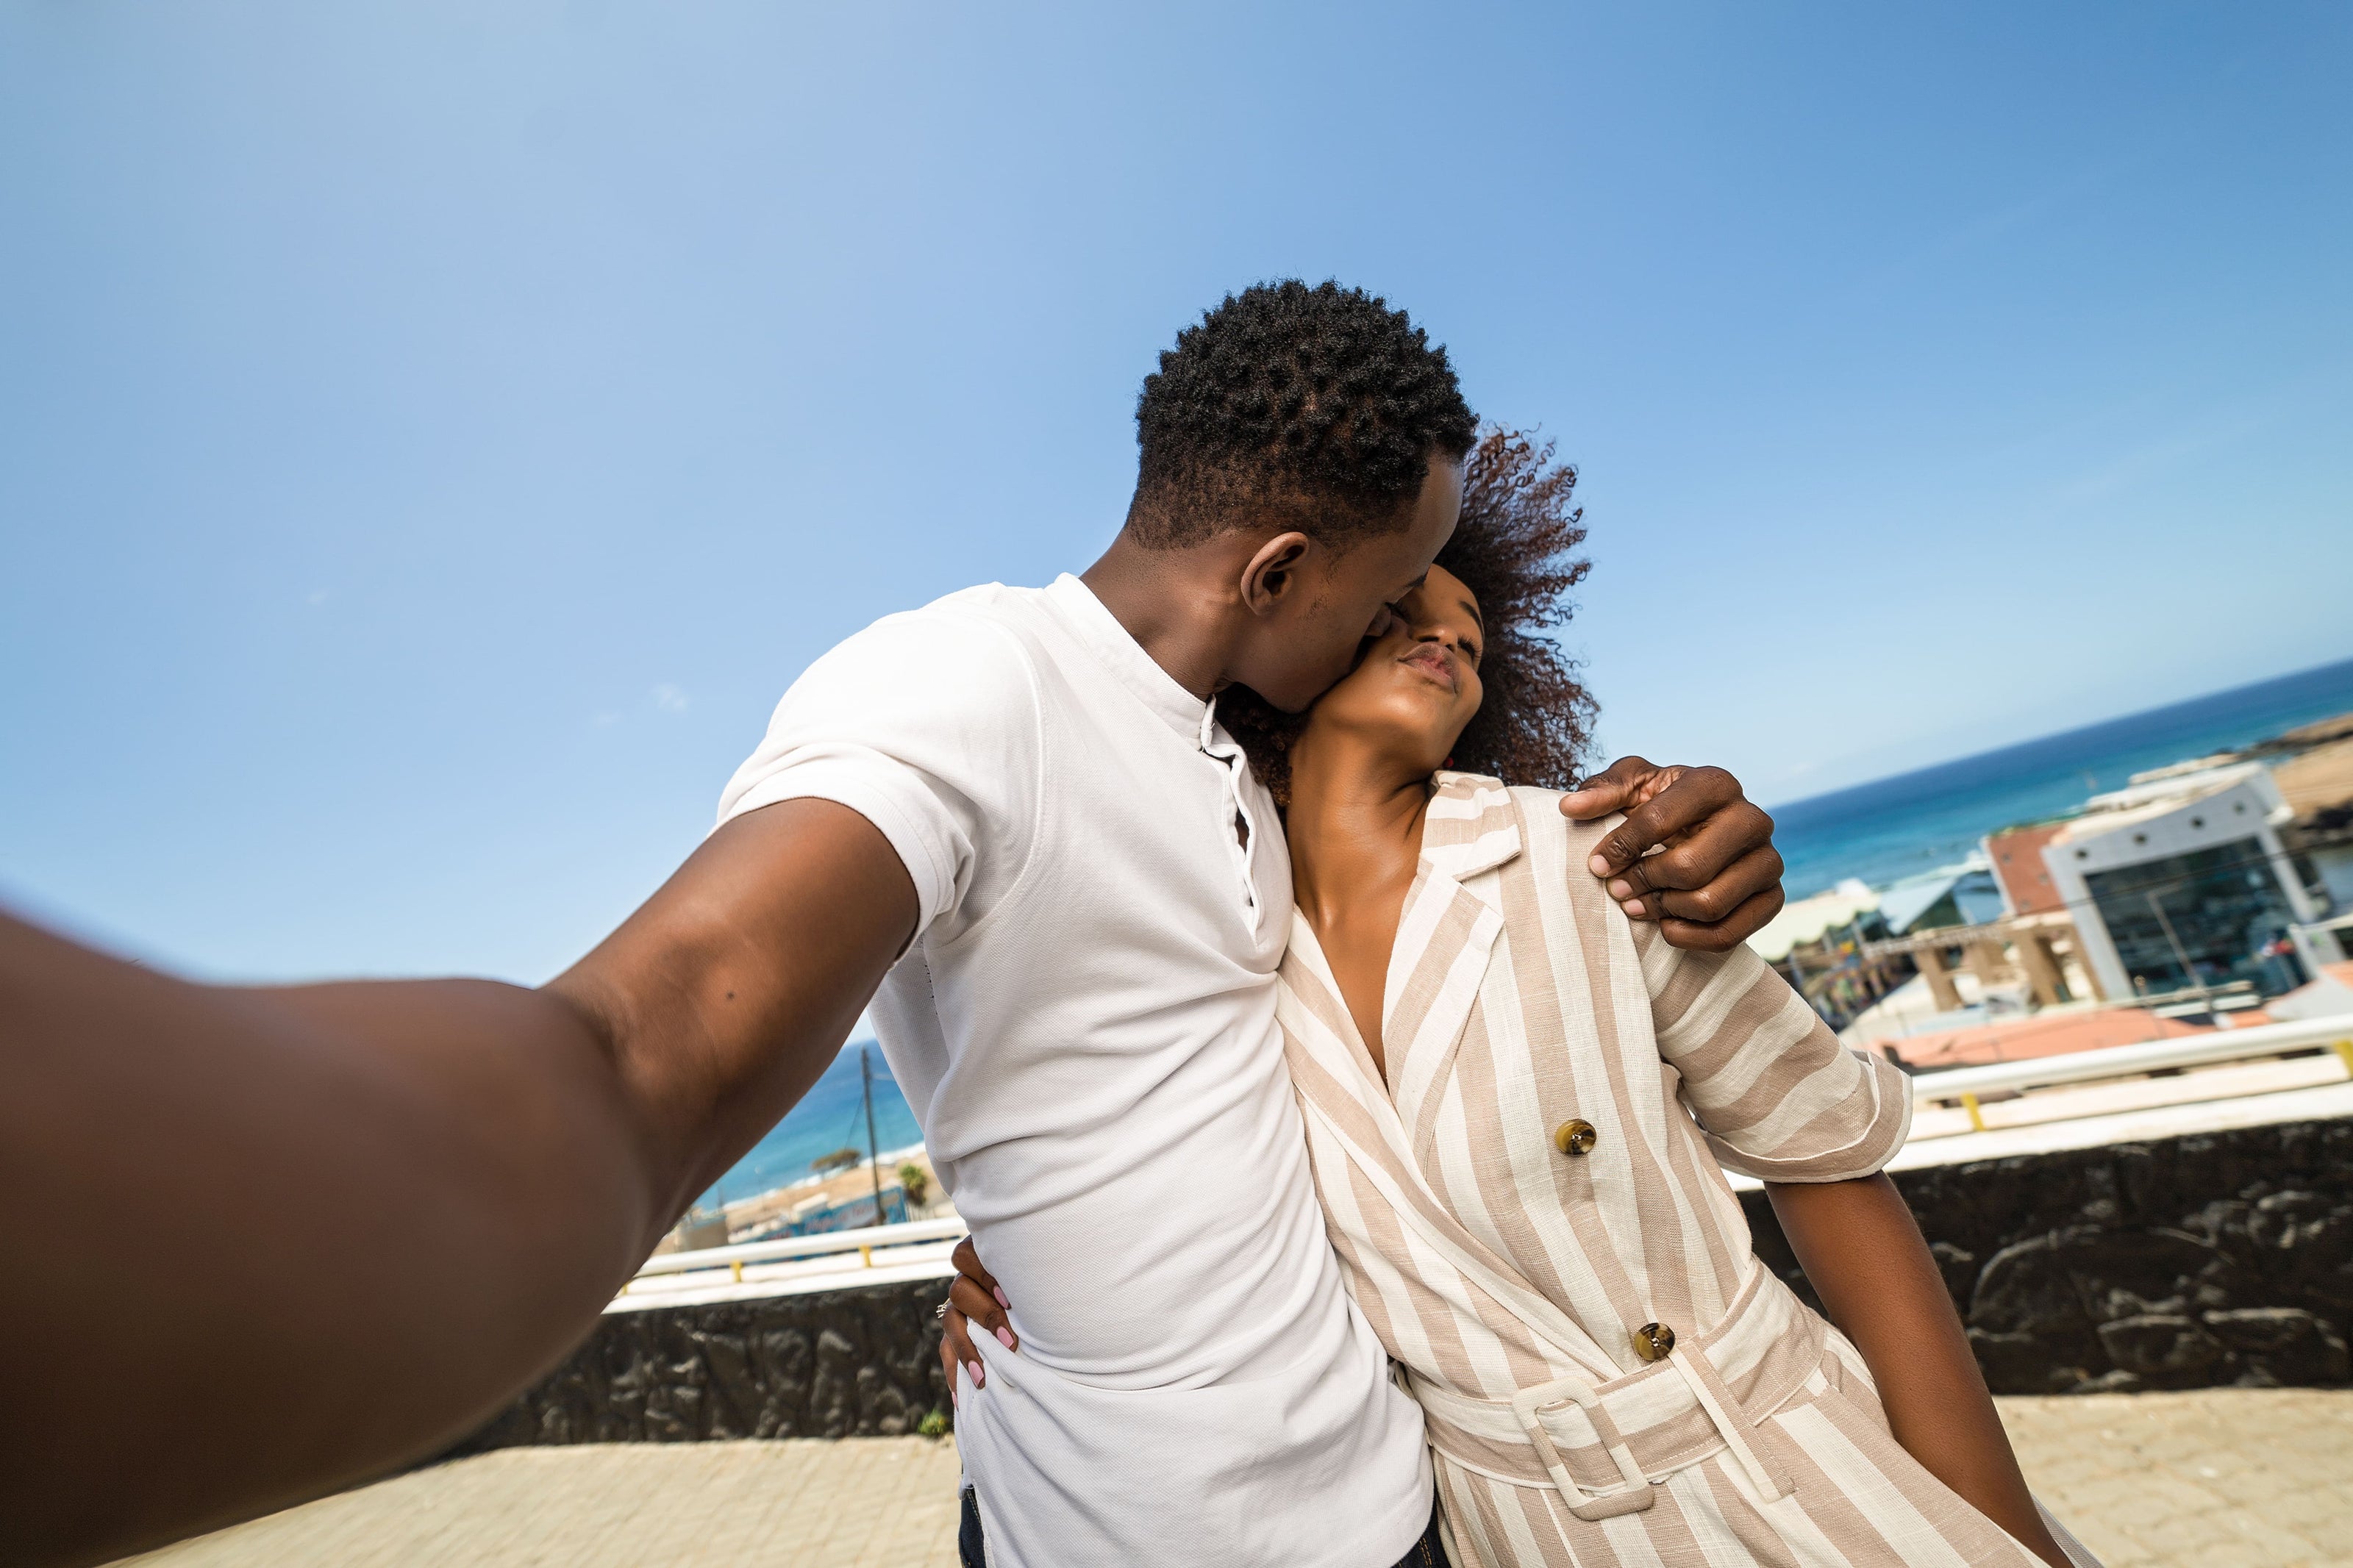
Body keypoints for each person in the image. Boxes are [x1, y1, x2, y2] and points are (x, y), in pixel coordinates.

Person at [1, 281, 1787, 1568]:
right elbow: (645, 1046)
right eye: (1390, 584)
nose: (1410, 621)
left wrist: (1680, 830)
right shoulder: (964, 684)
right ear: (1277, 574)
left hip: (1385, 1497)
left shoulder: (1238, 764)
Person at [948, 434, 2100, 1567]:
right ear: (1308, 631)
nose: (1444, 635)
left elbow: (1825, 1160)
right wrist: (1012, 1270)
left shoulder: (1592, 862)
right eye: (1402, 604)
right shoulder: (1208, 955)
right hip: (1496, 1526)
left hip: (1788, 1475)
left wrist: (1993, 1524)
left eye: (1472, 632)